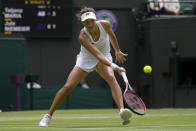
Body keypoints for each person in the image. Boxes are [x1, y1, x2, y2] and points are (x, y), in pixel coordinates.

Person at [39, 6, 132, 127]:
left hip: (104, 55)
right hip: (87, 58)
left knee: (111, 78)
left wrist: (117, 50)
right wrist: (116, 67)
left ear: (95, 19)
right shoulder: (82, 36)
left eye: (91, 21)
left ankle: (122, 112)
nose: (90, 24)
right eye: (86, 22)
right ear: (83, 23)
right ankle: (48, 116)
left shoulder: (105, 24)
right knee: (68, 86)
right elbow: (97, 56)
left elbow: (111, 35)